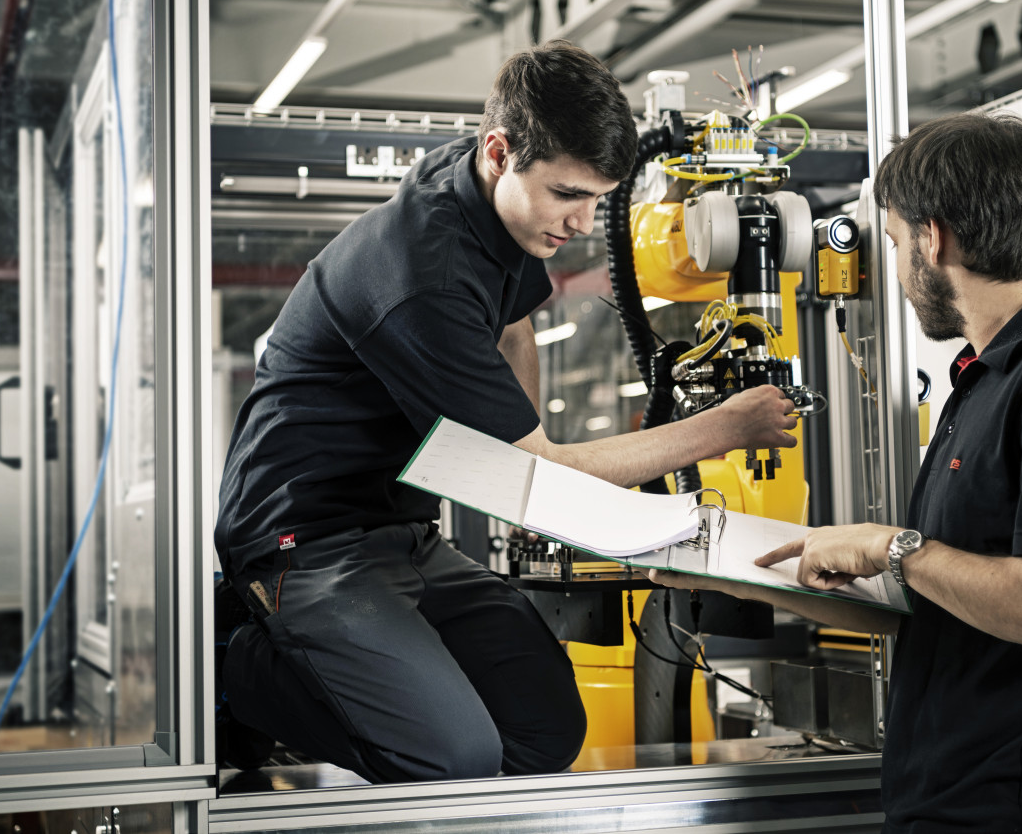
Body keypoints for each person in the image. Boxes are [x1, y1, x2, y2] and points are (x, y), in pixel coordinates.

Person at [213, 39, 798, 783]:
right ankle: (237, 669)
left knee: (545, 732)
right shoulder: (422, 274)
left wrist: (519, 465)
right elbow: (540, 468)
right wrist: (724, 427)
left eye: (597, 199)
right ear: (500, 152)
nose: (583, 222)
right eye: (568, 195)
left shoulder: (483, 194)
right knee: (454, 758)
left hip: (400, 530)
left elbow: (515, 323)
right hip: (303, 538)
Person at [652, 112, 1022, 833]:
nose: (894, 271)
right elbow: (932, 599)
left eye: (893, 243)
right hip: (952, 807)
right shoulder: (984, 380)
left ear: (933, 238)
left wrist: (892, 546)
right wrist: (732, 571)